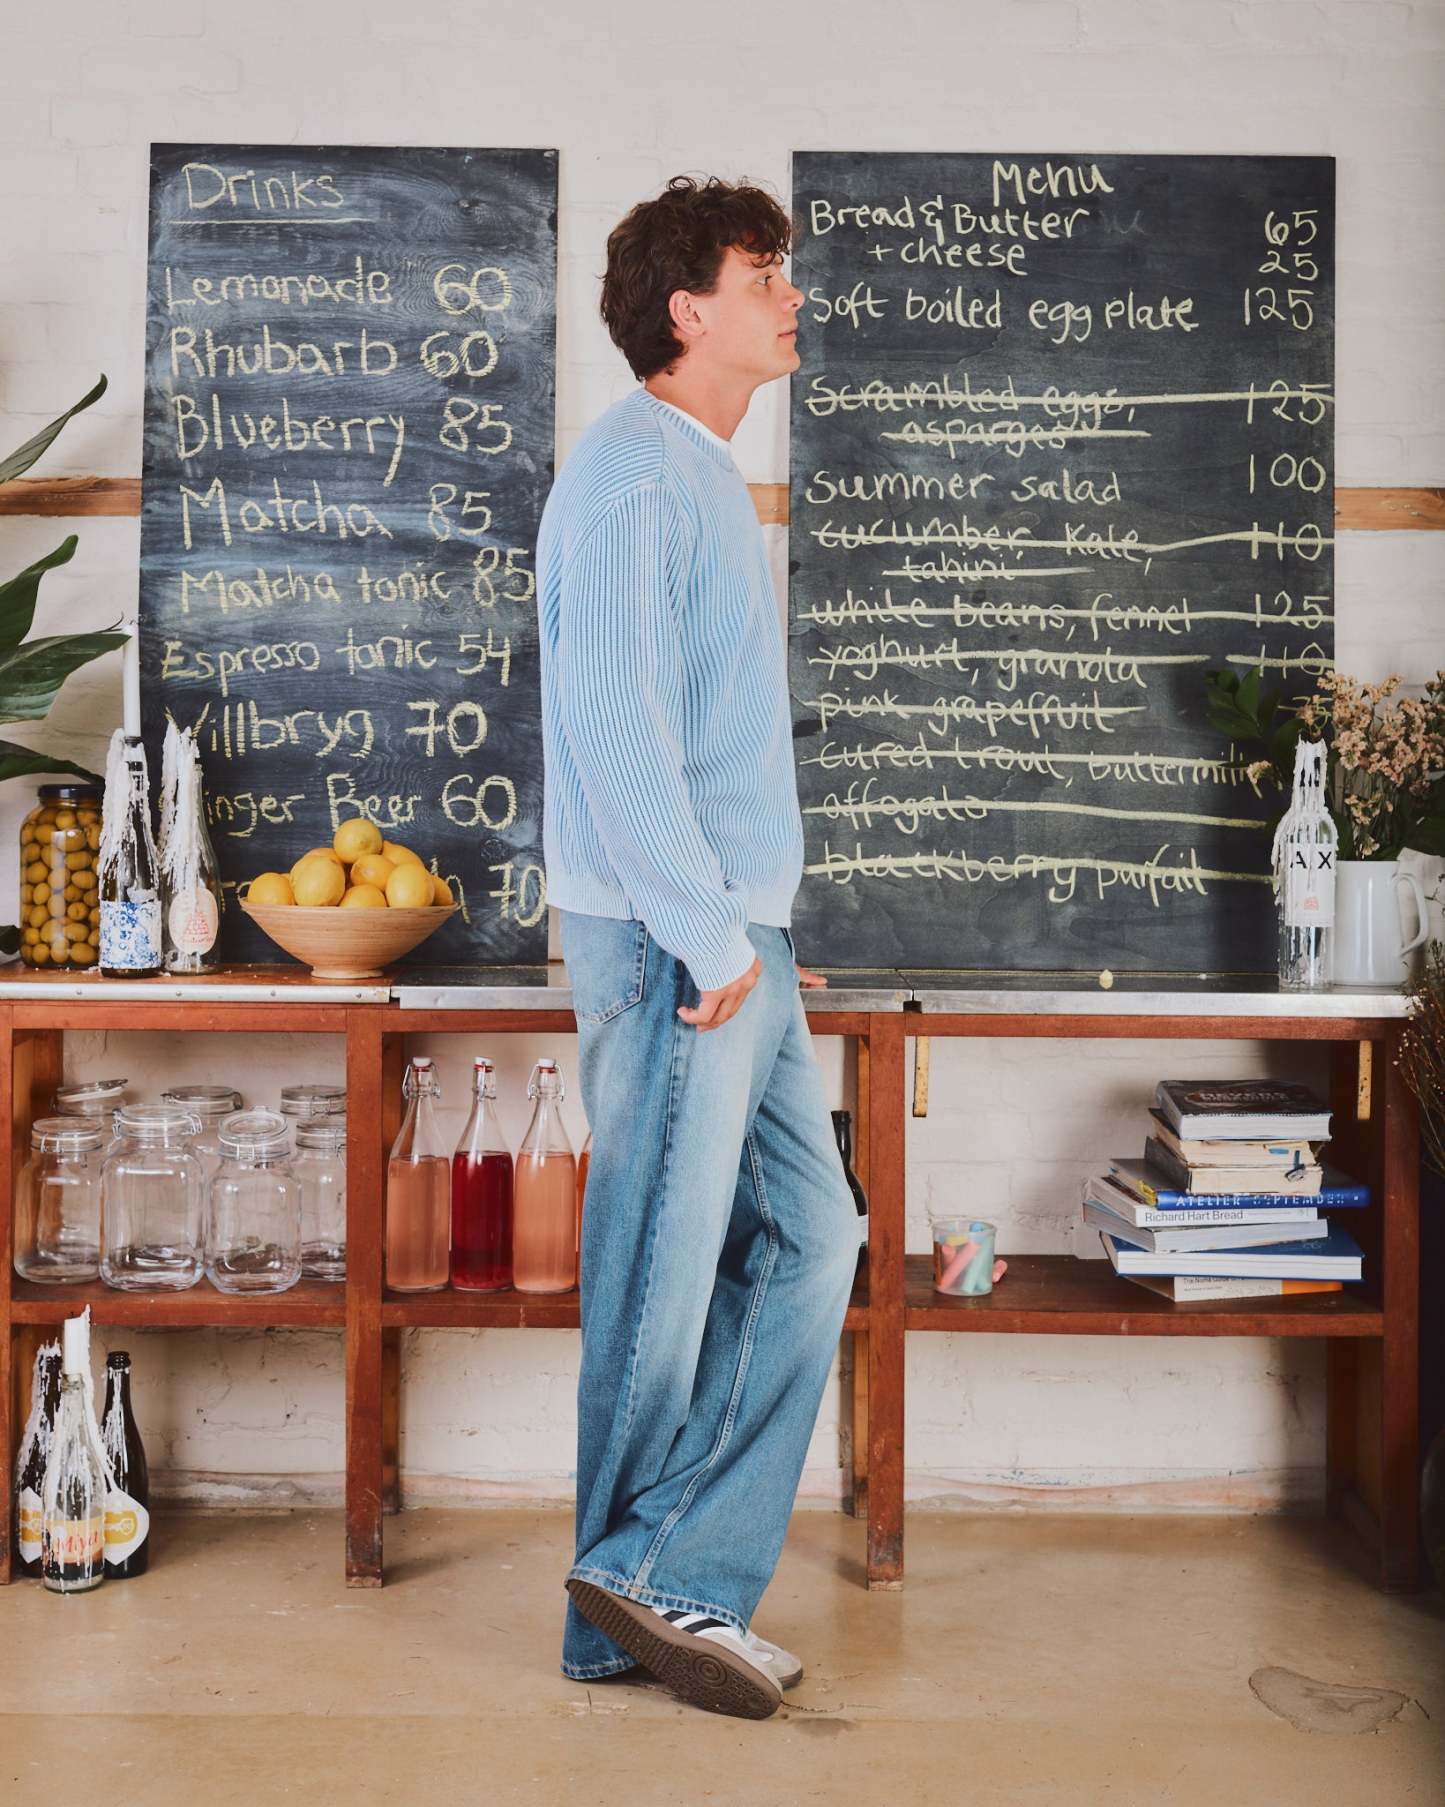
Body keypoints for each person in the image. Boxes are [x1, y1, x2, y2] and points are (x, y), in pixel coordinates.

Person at [536, 176, 860, 1721]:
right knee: (658, 1286)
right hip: (681, 939)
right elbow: (614, 728)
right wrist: (700, 931)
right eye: (763, 274)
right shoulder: (633, 479)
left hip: (734, 932)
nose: (792, 298)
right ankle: (623, 1616)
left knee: (815, 1241)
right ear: (688, 309)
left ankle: (662, 1571)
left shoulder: (697, 474)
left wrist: (744, 929)